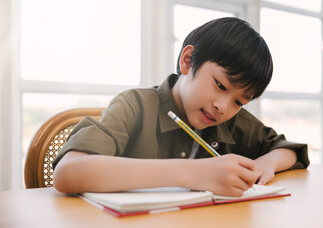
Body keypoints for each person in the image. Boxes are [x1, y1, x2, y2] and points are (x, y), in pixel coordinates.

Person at [53, 17, 309, 197]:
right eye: (220, 85)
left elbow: (288, 150)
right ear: (187, 61)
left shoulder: (228, 121)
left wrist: (266, 164)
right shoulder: (135, 105)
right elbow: (68, 172)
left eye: (239, 102)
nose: (223, 107)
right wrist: (193, 173)